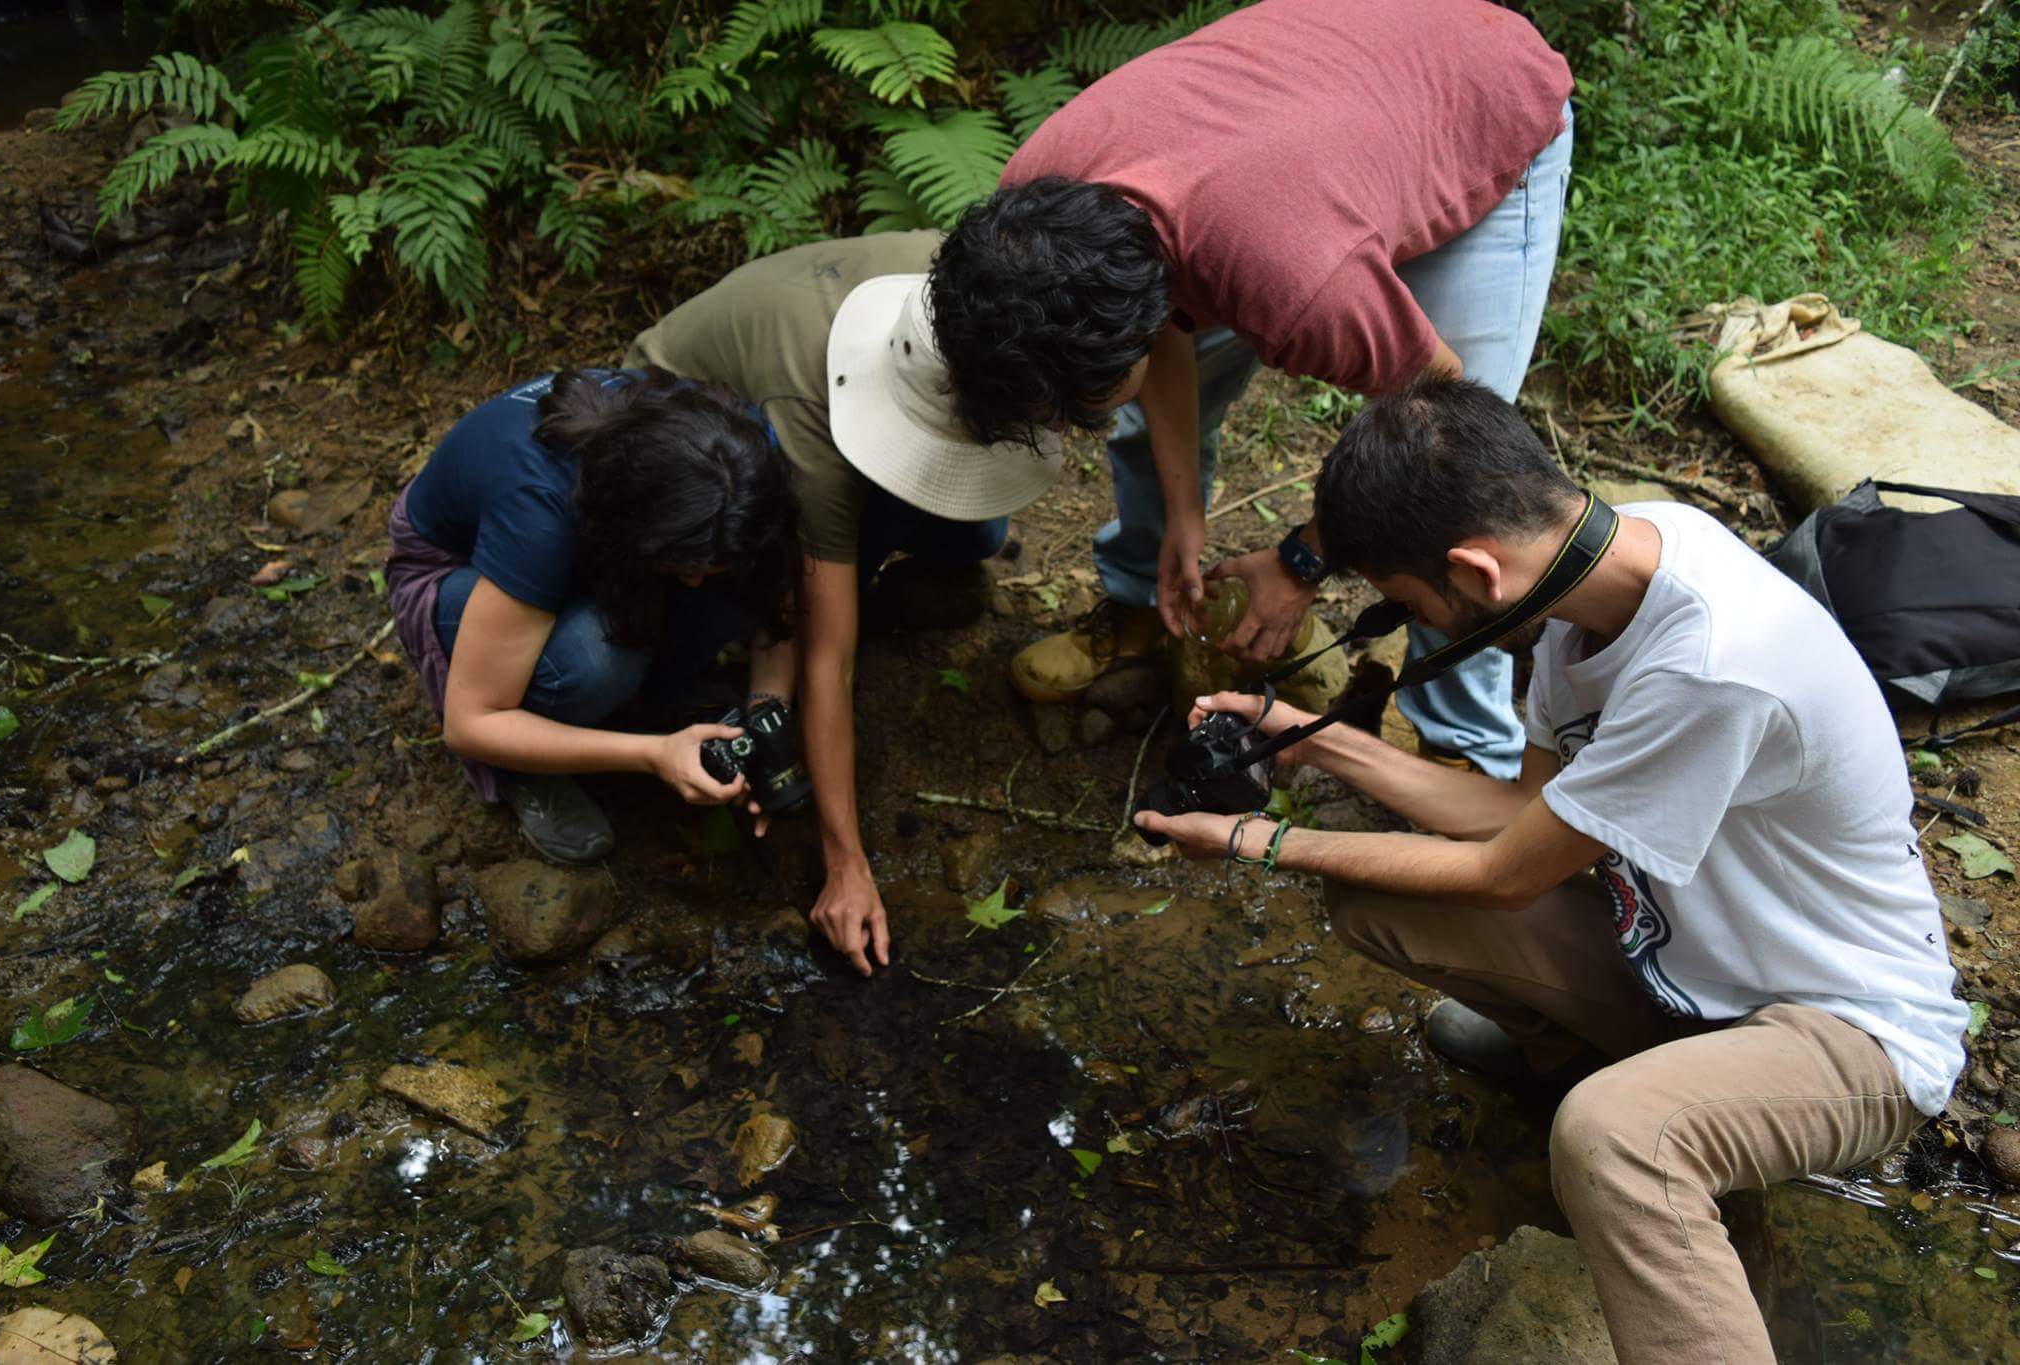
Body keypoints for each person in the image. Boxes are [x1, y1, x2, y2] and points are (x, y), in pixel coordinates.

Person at [1136, 377, 1969, 1363]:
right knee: (1376, 898)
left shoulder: (1706, 661)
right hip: (1686, 973)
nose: (1430, 632)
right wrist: (1312, 745)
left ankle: (1642, 1128)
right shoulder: (1596, 578)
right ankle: (1590, 1059)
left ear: (1473, 572)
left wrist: (1253, 843)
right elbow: (1512, 814)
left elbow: (1502, 873)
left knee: (1613, 1139)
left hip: (1846, 1036)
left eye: (1413, 608)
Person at [927, 0, 1574, 777]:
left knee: (1458, 501)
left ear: (1137, 324)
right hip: (1317, 110)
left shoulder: (1301, 284)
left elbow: (1441, 422)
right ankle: (1144, 603)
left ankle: (1467, 753)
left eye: (1084, 402)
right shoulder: (1031, 216)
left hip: (1477, 88)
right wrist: (1184, 516)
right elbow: (1161, 334)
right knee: (1152, 425)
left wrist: (1302, 563)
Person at [624, 234, 1062, 976]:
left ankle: (822, 599)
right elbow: (831, 658)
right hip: (686, 450)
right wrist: (845, 861)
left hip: (809, 396)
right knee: (727, 630)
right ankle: (751, 638)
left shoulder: (982, 291)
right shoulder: (815, 444)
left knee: (977, 529)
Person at [384, 368, 803, 862]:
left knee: (726, 589)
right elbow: (471, 723)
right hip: (455, 570)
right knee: (598, 658)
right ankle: (525, 770)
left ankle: (645, 704)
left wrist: (765, 723)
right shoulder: (538, 513)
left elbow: (774, 590)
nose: (694, 579)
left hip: (594, 546)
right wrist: (653, 755)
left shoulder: (740, 457)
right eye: (685, 566)